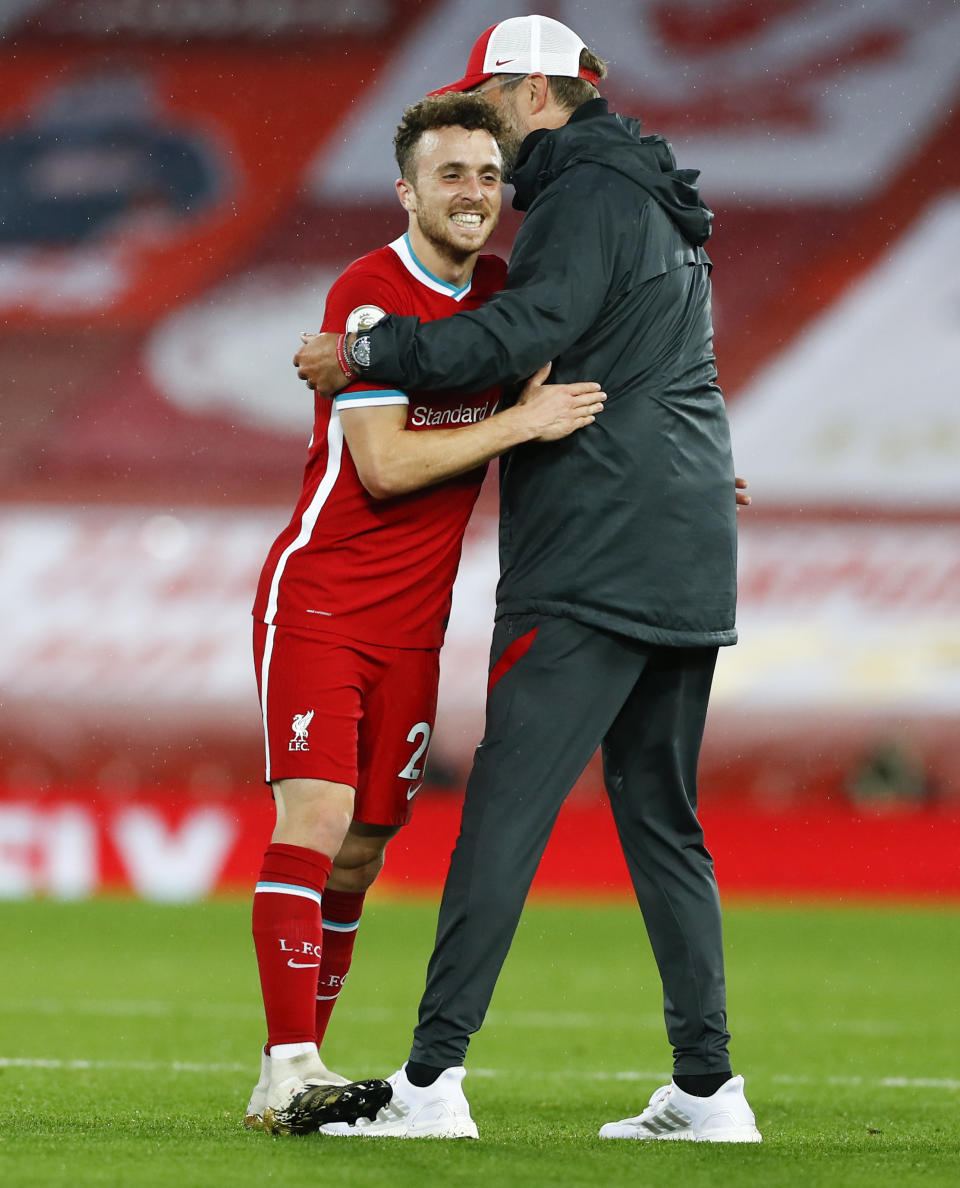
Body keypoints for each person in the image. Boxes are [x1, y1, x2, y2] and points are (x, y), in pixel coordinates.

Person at [294, 14, 762, 1144]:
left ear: (531, 90)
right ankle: (708, 1090)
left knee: (502, 813)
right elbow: (667, 365)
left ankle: (429, 1081)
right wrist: (683, 484)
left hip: (594, 552)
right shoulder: (653, 197)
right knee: (663, 821)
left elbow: (526, 330)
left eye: (491, 103)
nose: (487, 135)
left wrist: (370, 350)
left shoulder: (584, 198)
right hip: (684, 538)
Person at [245, 90, 606, 1137]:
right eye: (452, 174)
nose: (476, 194)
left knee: (363, 848)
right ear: (407, 191)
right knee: (313, 820)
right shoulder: (369, 291)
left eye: (491, 177)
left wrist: (676, 478)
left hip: (414, 622)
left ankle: (299, 1079)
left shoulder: (502, 293)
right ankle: (288, 1065)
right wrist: (520, 422)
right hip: (320, 597)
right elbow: (388, 464)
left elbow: (573, 402)